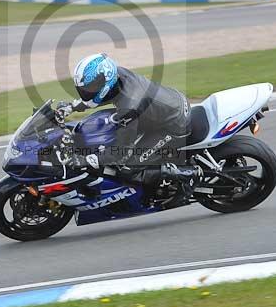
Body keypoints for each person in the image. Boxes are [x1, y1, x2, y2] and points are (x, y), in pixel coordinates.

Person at [63, 53, 201, 201]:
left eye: (90, 88)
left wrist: (88, 160)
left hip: (173, 124)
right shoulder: (117, 75)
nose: (86, 92)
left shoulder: (129, 106)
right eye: (84, 89)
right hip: (166, 107)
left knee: (129, 167)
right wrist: (72, 106)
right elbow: (103, 95)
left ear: (104, 82)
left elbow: (120, 153)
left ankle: (188, 174)